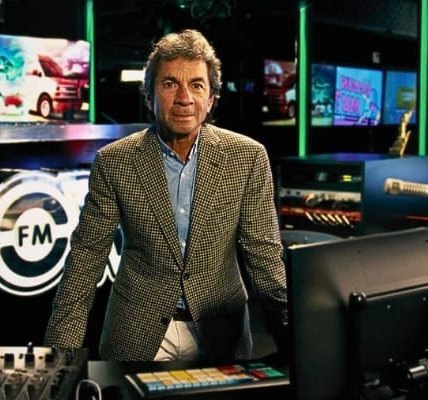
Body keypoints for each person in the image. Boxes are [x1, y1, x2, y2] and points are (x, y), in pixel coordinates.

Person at [43, 29, 288, 362]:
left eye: (196, 85)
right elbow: (87, 257)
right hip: (135, 332)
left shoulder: (247, 157)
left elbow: (263, 253)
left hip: (221, 332)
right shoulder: (114, 161)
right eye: (170, 84)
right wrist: (60, 356)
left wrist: (294, 340)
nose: (184, 98)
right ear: (149, 97)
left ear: (211, 99)